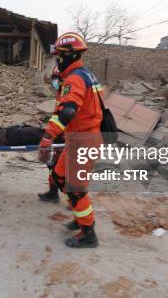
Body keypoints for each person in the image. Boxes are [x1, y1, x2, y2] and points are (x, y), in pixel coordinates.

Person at [38, 32, 103, 248]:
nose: (58, 60)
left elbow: (67, 112)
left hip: (84, 141)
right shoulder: (88, 76)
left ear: (68, 55)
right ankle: (80, 216)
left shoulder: (74, 78)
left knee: (75, 189)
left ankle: (88, 233)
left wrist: (47, 137)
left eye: (60, 56)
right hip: (82, 139)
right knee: (59, 176)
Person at [37, 66, 63, 203]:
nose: (54, 81)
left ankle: (76, 201)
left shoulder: (67, 93)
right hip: (59, 134)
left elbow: (65, 116)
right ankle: (53, 192)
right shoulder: (61, 93)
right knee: (52, 165)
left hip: (65, 135)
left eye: (56, 78)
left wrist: (50, 135)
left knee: (63, 169)